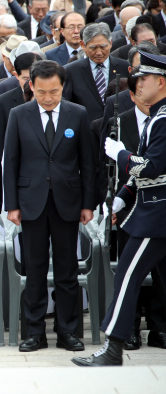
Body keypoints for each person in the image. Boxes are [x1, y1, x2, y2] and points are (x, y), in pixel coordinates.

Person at [73, 51, 166, 366]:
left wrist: (122, 155)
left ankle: (113, 350)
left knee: (127, 276)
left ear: (161, 82)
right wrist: (123, 197)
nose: (138, 85)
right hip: (152, 210)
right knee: (128, 275)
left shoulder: (163, 119)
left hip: (158, 216)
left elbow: (152, 167)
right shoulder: (157, 117)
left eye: (145, 79)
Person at [3, 60, 95, 353]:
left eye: (53, 91)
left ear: (62, 87)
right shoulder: (19, 115)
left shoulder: (77, 114)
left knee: (67, 270)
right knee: (35, 269)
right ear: (31, 86)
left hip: (67, 202)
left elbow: (87, 164)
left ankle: (68, 331)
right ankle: (34, 332)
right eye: (41, 92)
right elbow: (11, 163)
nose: (47, 98)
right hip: (31, 202)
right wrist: (12, 205)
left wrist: (87, 203)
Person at [63, 23, 130, 124]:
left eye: (103, 47)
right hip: (87, 131)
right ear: (83, 45)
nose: (99, 52)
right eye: (93, 48)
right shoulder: (71, 71)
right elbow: (67, 106)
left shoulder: (124, 67)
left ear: (111, 43)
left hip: (120, 129)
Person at [0, 52, 43, 154]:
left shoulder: (54, 100)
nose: (30, 83)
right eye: (25, 78)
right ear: (16, 75)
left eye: (35, 77)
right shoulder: (3, 103)